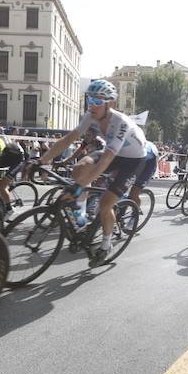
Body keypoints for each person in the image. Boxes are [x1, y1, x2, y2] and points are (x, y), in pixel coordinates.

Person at [38, 79, 146, 264]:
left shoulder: (121, 123)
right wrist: (41, 161)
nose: (91, 105)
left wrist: (79, 186)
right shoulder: (91, 115)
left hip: (133, 160)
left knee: (105, 204)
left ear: (109, 103)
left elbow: (106, 160)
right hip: (114, 152)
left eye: (97, 101)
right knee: (80, 167)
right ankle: (80, 212)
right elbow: (68, 139)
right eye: (90, 100)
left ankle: (106, 244)